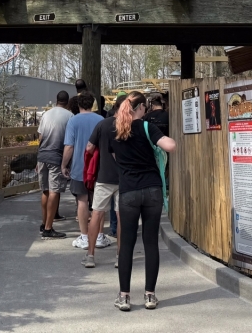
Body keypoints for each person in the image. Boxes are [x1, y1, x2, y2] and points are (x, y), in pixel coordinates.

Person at [111, 91, 176, 311]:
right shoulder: (147, 127)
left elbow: (114, 157)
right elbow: (170, 146)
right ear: (139, 108)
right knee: (150, 243)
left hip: (128, 191)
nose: (146, 112)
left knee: (126, 245)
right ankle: (149, 295)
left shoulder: (116, 129)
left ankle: (124, 297)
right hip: (152, 190)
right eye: (145, 108)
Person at [82, 93, 126, 269]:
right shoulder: (129, 126)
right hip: (124, 177)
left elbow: (89, 147)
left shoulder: (102, 124)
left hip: (104, 176)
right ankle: (119, 256)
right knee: (121, 217)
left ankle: (90, 255)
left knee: (97, 214)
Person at [62, 93, 106, 250]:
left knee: (82, 201)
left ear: (78, 104)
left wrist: (63, 165)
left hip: (79, 167)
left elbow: (69, 146)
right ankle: (100, 235)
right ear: (93, 104)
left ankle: (85, 236)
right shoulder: (101, 120)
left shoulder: (73, 121)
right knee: (98, 202)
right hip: (99, 167)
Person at [37, 91, 73, 239]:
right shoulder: (70, 116)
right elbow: (70, 141)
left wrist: (37, 158)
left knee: (45, 190)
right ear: (68, 101)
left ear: (56, 100)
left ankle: (44, 222)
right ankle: (48, 228)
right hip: (56, 156)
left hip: (42, 155)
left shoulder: (46, 114)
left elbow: (40, 137)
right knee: (54, 191)